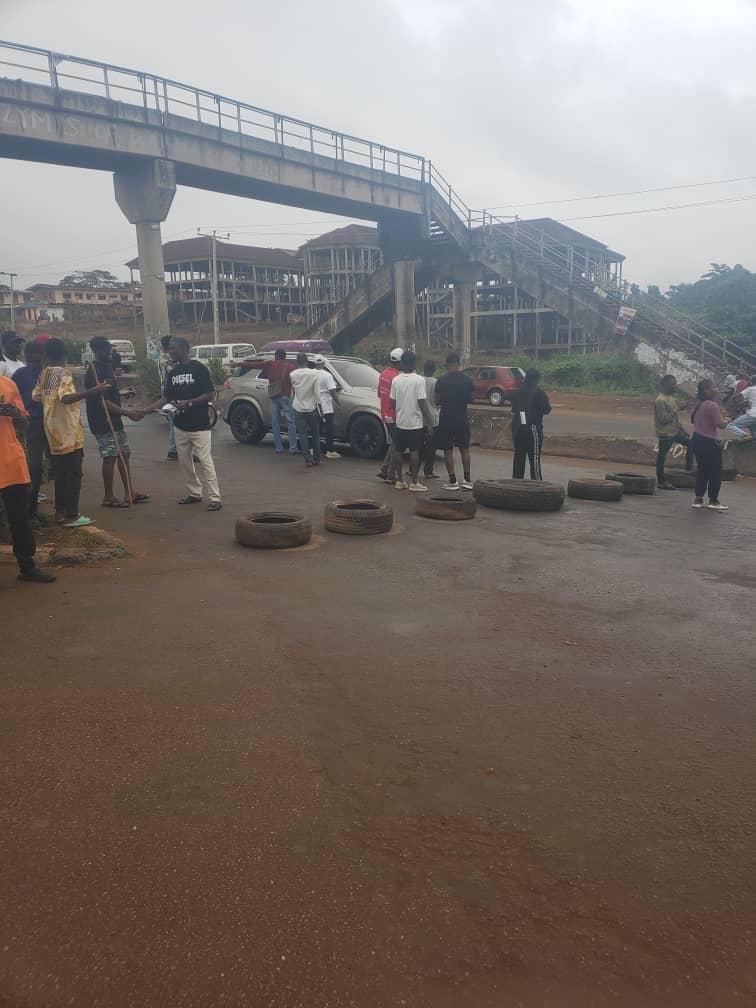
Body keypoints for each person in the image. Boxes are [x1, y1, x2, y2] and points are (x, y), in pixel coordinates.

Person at [34, 337, 109, 528]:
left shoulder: (44, 373)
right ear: (65, 355)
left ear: (46, 355)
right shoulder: (63, 373)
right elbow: (67, 398)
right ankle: (71, 514)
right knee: (74, 473)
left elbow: (35, 396)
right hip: (67, 431)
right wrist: (94, 390)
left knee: (60, 474)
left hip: (52, 431)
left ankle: (60, 513)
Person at [145, 336, 222, 511]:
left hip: (200, 425)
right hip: (180, 425)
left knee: (205, 461)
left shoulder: (199, 369)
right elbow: (166, 397)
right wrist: (146, 410)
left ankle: (215, 498)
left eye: (174, 349)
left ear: (185, 349)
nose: (171, 352)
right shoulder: (173, 373)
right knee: (185, 462)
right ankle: (195, 493)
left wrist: (190, 402)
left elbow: (210, 394)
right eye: (169, 349)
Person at [0, 375, 56, 582]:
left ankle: (27, 566)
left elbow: (24, 424)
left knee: (19, 519)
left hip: (10, 462)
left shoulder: (7, 384)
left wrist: (14, 413)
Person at [84, 336, 149, 508]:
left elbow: (111, 393)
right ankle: (108, 496)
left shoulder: (107, 367)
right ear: (98, 351)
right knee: (110, 456)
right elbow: (103, 402)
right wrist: (128, 413)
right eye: (107, 350)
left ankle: (129, 493)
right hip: (102, 421)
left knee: (124, 453)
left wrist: (123, 392)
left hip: (114, 419)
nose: (110, 353)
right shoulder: (94, 371)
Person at [12, 339, 49, 524]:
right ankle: (31, 510)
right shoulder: (20, 375)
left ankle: (61, 510)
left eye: (38, 359)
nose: (35, 363)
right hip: (31, 425)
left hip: (50, 424)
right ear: (27, 358)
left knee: (55, 465)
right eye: (32, 360)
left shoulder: (48, 373)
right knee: (34, 467)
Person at [389, 349, 433, 492]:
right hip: (415, 423)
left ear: (402, 362)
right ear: (414, 363)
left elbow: (392, 402)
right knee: (415, 451)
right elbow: (422, 402)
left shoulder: (396, 380)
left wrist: (399, 411)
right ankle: (414, 482)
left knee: (398, 451)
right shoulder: (419, 380)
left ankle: (400, 480)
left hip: (400, 422)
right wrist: (430, 422)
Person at [434, 351, 474, 490]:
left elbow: (437, 401)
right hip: (462, 418)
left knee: (448, 450)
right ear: (458, 364)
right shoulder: (467, 380)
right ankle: (467, 480)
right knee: (464, 449)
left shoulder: (441, 381)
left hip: (446, 418)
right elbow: (471, 399)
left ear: (448, 365)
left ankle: (452, 481)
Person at [690, 379, 729, 511]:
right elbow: (721, 425)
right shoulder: (712, 405)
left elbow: (693, 419)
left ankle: (698, 499)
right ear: (707, 390)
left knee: (703, 470)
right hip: (710, 442)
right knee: (715, 472)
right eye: (714, 387)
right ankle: (713, 500)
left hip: (697, 439)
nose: (716, 389)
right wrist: (728, 419)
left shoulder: (698, 403)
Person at [509, 368, 552, 481]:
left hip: (518, 429)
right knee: (534, 460)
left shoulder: (518, 392)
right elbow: (547, 410)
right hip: (533, 429)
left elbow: (515, 411)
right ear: (537, 379)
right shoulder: (539, 393)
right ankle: (537, 484)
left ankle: (516, 483)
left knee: (519, 458)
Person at [654, 374, 694, 489]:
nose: (675, 386)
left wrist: (683, 430)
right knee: (662, 458)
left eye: (675, 383)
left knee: (691, 444)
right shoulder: (660, 400)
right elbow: (663, 419)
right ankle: (661, 481)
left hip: (675, 432)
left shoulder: (670, 398)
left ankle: (689, 470)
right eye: (672, 384)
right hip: (666, 434)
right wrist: (678, 409)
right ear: (664, 385)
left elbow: (674, 419)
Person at [257, 348, 298, 454]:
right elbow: (295, 382)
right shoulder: (290, 367)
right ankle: (293, 447)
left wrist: (237, 364)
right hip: (285, 397)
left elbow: (253, 365)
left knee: (275, 422)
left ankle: (278, 447)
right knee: (291, 422)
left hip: (274, 396)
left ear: (276, 356)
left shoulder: (270, 364)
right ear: (285, 357)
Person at [290, 352, 322, 467]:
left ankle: (307, 459)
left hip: (298, 407)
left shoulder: (292, 374)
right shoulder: (314, 374)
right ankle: (317, 459)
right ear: (307, 360)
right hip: (312, 408)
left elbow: (292, 392)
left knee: (302, 434)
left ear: (297, 361)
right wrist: (320, 405)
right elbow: (317, 393)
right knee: (315, 434)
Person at [377, 347, 403, 482]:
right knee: (398, 444)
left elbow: (378, 393)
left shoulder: (383, 374)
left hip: (384, 414)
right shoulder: (397, 377)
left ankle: (385, 468)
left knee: (394, 442)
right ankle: (391, 475)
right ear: (400, 362)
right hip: (394, 415)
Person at [314, 355, 340, 459]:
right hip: (326, 406)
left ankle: (313, 449)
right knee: (329, 429)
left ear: (315, 363)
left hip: (315, 405)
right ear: (324, 364)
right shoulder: (327, 375)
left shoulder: (311, 374)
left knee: (316, 429)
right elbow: (332, 391)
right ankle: (330, 450)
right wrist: (338, 403)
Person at [157, 334, 177, 459]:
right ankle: (173, 450)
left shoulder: (168, 359)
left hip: (170, 392)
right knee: (175, 422)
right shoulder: (166, 360)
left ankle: (174, 450)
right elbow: (169, 379)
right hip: (172, 393)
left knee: (175, 422)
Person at [421, 359, 440, 479]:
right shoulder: (437, 382)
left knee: (417, 446)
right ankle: (428, 471)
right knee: (431, 447)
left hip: (420, 418)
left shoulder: (418, 381)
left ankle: (413, 470)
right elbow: (438, 401)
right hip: (433, 417)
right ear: (434, 370)